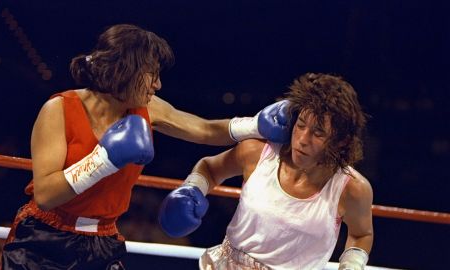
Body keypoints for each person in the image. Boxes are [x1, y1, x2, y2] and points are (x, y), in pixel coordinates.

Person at [0, 24, 292, 270]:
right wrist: (103, 160)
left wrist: (254, 125)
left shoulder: (147, 109)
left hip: (103, 240)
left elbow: (203, 130)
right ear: (126, 70)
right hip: (44, 239)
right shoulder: (59, 109)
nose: (158, 84)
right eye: (152, 73)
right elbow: (47, 194)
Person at [159, 73, 374, 270]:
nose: (303, 140)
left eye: (318, 133)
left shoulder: (351, 189)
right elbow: (210, 168)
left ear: (340, 141)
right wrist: (192, 188)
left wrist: (352, 264)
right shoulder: (259, 152)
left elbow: (361, 233)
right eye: (300, 125)